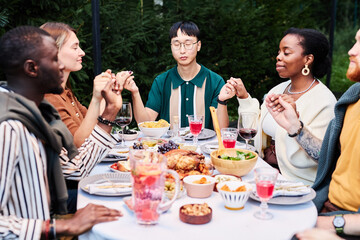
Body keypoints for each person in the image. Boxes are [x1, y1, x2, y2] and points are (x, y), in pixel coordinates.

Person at [0, 26, 123, 239]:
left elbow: (77, 169)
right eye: (55, 60)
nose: (61, 67)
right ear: (32, 68)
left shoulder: (37, 114)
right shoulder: (8, 126)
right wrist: (61, 227)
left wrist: (110, 112)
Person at [267, 29, 360, 238]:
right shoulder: (352, 101)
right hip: (323, 204)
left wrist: (333, 224)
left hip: (340, 220)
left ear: (308, 59)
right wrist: (294, 127)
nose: (351, 51)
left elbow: (316, 163)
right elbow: (331, 160)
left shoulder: (326, 101)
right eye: (354, 41)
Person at [232, 28, 336, 186]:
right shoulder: (278, 90)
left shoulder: (325, 101)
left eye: (286, 53)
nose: (278, 57)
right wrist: (244, 97)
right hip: (264, 171)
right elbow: (253, 130)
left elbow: (323, 155)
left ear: (308, 59)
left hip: (297, 183)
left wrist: (296, 126)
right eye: (279, 52)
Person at [122, 21, 235, 130]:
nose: (182, 50)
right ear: (171, 46)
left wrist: (222, 101)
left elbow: (222, 130)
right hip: (170, 149)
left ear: (198, 45)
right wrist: (135, 93)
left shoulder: (214, 81)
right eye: (176, 44)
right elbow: (145, 124)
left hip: (204, 149)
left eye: (188, 44)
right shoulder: (161, 81)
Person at [40, 22, 133, 147]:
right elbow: (79, 145)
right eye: (75, 47)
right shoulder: (48, 98)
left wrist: (106, 93)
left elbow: (93, 127)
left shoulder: (66, 93)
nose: (82, 52)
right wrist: (96, 98)